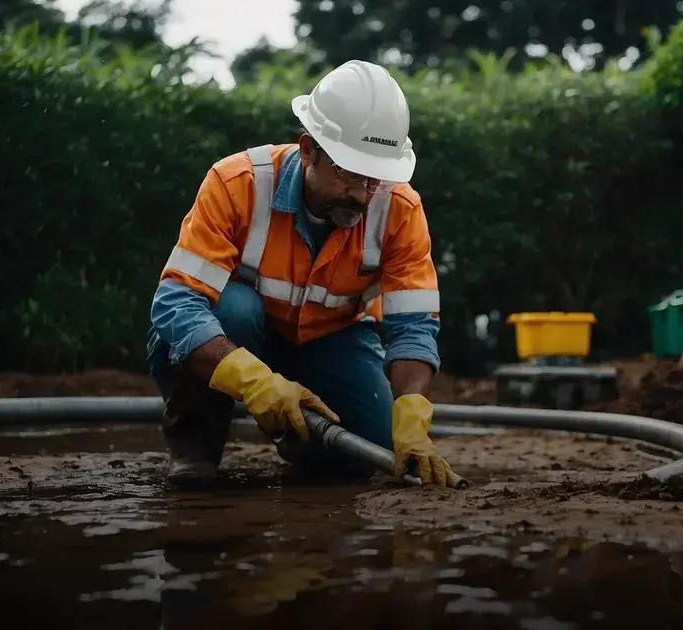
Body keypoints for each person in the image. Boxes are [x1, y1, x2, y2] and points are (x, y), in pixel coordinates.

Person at [146, 60, 460, 489]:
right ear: (309, 149)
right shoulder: (237, 183)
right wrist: (255, 383)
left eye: (375, 180)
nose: (362, 195)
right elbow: (176, 303)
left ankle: (301, 442)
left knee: (367, 446)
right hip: (242, 337)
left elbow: (413, 326)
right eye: (348, 174)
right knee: (233, 309)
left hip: (332, 341)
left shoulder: (399, 209)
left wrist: (410, 415)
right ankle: (195, 449)